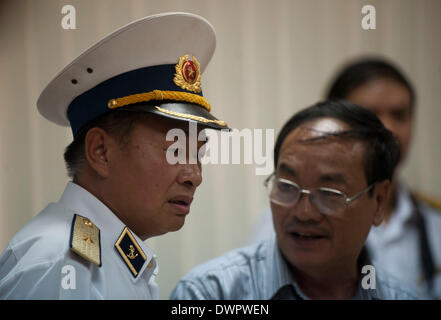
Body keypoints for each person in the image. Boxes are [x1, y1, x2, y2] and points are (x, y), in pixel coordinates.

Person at [0, 12, 229, 299]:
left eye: (198, 153)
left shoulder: (107, 256)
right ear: (101, 152)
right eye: (174, 149)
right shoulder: (62, 265)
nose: (195, 176)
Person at [170, 100, 420, 300]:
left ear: (378, 201)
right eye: (287, 187)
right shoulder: (210, 294)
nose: (304, 213)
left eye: (330, 193)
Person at [250, 58, 441, 298]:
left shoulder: (434, 223)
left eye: (399, 115)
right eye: (369, 115)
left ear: (378, 201)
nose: (387, 128)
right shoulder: (287, 221)